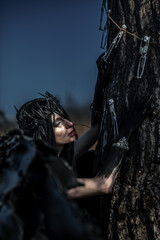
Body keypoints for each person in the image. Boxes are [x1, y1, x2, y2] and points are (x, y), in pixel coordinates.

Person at [15, 54, 154, 199]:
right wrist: (127, 129)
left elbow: (95, 129)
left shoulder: (60, 157)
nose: (69, 124)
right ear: (43, 134)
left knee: (87, 159)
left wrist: (99, 87)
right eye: (58, 124)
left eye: (64, 118)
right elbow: (103, 184)